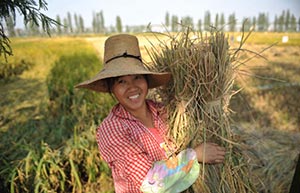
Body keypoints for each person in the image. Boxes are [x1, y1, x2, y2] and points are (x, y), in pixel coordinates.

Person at [75, 34, 226, 193]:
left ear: (146, 81)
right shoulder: (112, 130)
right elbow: (150, 183)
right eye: (121, 81)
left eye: (137, 77)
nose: (132, 87)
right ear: (111, 89)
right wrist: (194, 155)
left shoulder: (163, 111)